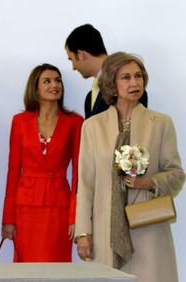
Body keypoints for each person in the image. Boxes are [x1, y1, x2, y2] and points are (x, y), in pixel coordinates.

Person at [75, 52, 185, 282]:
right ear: (112, 84)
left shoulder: (161, 123)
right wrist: (83, 232)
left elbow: (176, 174)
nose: (134, 82)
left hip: (149, 228)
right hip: (106, 230)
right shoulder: (92, 127)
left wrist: (149, 182)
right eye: (125, 77)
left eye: (138, 76)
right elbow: (85, 185)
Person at [1, 64, 83, 262]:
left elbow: (79, 174)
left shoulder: (75, 122)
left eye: (58, 80)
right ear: (35, 88)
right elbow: (13, 173)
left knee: (57, 266)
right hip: (26, 209)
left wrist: (75, 216)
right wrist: (8, 218)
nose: (54, 85)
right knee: (27, 269)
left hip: (59, 208)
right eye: (47, 81)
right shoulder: (20, 121)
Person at [65, 24, 148, 119]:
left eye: (71, 59)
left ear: (80, 54)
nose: (73, 67)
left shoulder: (129, 86)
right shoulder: (90, 97)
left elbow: (136, 127)